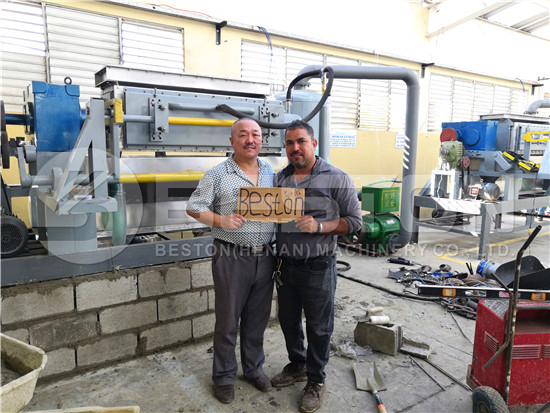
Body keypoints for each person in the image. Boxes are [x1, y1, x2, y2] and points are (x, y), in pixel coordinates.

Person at [272, 119, 362, 413]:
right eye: (289, 143)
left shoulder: (337, 177)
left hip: (319, 266)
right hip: (285, 265)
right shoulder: (280, 179)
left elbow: (356, 223)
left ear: (314, 144)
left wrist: (320, 225)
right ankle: (298, 364)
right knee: (288, 322)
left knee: (319, 328)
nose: (294, 148)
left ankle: (316, 380)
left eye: (300, 141)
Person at [186, 117, 275, 404]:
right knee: (227, 321)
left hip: (266, 256)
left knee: (257, 320)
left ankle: (253, 369)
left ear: (261, 140)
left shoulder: (271, 171)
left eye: (256, 135)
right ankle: (223, 376)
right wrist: (221, 220)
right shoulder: (217, 174)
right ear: (232, 141)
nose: (251, 140)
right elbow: (194, 207)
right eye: (243, 135)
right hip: (231, 256)